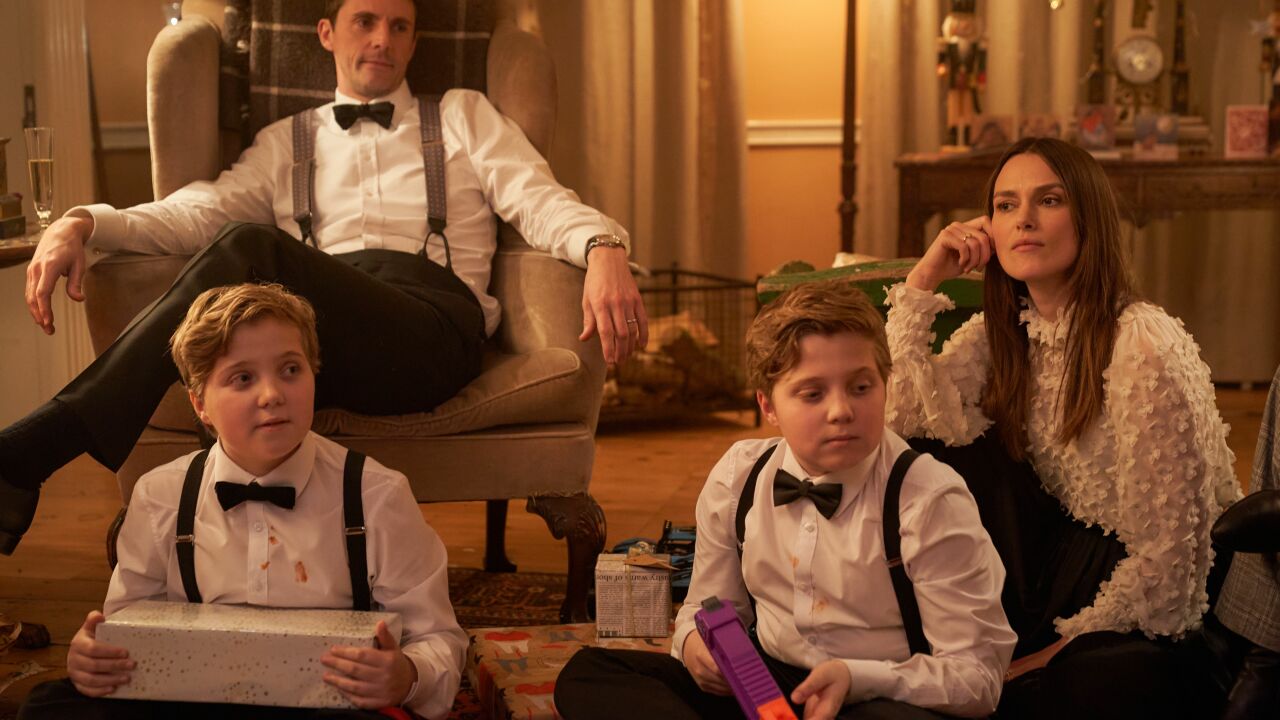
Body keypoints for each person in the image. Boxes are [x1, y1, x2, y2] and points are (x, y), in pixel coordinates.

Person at [0, 0, 648, 555]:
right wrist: (85, 223)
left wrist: (603, 245)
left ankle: (37, 448)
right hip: (314, 345)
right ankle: (55, 462)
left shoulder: (461, 115)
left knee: (251, 249)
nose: (383, 39)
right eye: (365, 21)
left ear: (414, 42)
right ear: (327, 34)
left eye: (399, 27)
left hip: (429, 334)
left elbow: (539, 198)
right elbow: (195, 214)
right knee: (242, 260)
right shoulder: (287, 140)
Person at [883, 136, 1240, 719]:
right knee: (929, 451)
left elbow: (1174, 567)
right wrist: (924, 280)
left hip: (1159, 592)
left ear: (1087, 219)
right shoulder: (1004, 333)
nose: (1023, 219)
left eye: (1048, 200)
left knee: (1075, 687)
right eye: (1005, 205)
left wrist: (1044, 657)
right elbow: (903, 423)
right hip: (1058, 559)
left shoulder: (1141, 343)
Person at [554, 282, 1015, 720]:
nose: (842, 411)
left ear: (885, 383)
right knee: (590, 673)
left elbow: (977, 680)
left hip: (882, 691)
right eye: (813, 394)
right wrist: (693, 641)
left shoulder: (929, 497)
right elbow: (710, 605)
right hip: (768, 684)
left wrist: (856, 679)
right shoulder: (739, 476)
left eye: (861, 387)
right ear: (768, 406)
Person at [18, 283, 466, 720]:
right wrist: (94, 658)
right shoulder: (161, 496)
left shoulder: (376, 495)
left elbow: (439, 638)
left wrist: (407, 675)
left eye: (291, 370)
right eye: (243, 378)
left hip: (325, 701)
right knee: (47, 705)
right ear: (200, 404)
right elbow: (127, 633)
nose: (272, 394)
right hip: (193, 696)